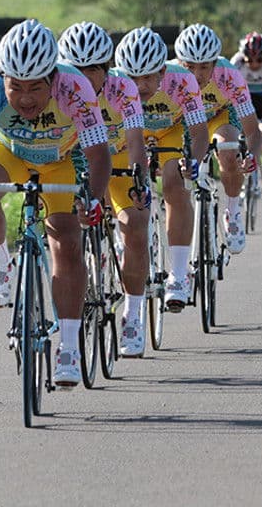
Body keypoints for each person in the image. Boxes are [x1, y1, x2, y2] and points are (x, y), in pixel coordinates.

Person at [0, 19, 111, 388]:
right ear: (3, 78)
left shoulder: (75, 89)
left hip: (61, 157)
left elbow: (99, 155)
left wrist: (92, 198)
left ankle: (69, 347)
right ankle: (1, 265)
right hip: (11, 152)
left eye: (35, 88)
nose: (25, 98)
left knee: (67, 243)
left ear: (52, 78)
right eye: (16, 87)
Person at [57, 21, 152, 358]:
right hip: (77, 160)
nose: (83, 78)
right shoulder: (57, 89)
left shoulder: (123, 88)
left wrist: (140, 177)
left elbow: (137, 140)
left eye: (92, 70)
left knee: (135, 225)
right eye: (76, 69)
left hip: (120, 156)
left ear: (107, 69)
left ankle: (132, 316)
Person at [112, 26, 209, 314]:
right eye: (133, 78)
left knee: (174, 183)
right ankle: (118, 241)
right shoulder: (114, 85)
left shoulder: (183, 80)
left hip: (170, 132)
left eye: (148, 78)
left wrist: (194, 162)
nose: (140, 86)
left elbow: (200, 131)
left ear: (162, 73)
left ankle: (179, 276)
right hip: (128, 136)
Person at [172, 23, 262, 255]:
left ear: (215, 63)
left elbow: (252, 129)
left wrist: (251, 155)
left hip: (218, 115)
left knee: (228, 150)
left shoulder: (230, 75)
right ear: (179, 62)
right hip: (184, 121)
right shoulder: (169, 75)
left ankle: (232, 211)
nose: (197, 74)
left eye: (204, 67)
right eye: (189, 66)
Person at [230, 31, 262, 194]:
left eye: (259, 60)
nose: (254, 64)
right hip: (243, 100)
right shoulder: (236, 63)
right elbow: (228, 95)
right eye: (249, 60)